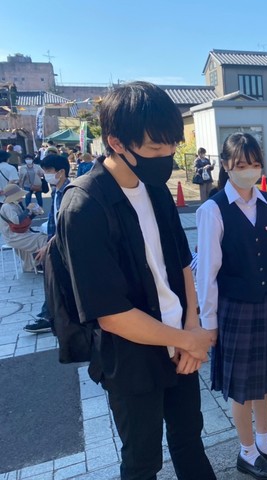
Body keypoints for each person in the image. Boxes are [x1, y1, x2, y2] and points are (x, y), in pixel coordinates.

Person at [52, 81, 217, 480]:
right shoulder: (84, 206)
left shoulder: (155, 190)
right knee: (142, 461)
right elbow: (110, 314)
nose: (166, 157)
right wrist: (187, 340)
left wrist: (192, 325)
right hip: (131, 357)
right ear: (116, 142)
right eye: (155, 148)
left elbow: (181, 263)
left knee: (189, 441)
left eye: (171, 146)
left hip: (181, 342)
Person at [196, 132, 267, 480]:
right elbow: (207, 272)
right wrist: (208, 322)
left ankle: (264, 442)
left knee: (265, 380)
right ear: (226, 165)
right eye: (241, 165)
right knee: (242, 387)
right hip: (235, 307)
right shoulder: (213, 210)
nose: (249, 171)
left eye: (254, 164)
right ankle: (247, 451)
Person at [23, 154, 72, 334]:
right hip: (57, 244)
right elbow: (54, 221)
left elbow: (66, 223)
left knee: (56, 280)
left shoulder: (70, 192)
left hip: (65, 246)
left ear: (61, 172)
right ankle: (50, 316)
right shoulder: (57, 192)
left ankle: (49, 317)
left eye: (48, 170)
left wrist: (49, 244)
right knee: (55, 281)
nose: (45, 174)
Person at [0, 184, 47, 271]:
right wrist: (28, 209)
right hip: (13, 237)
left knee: (42, 236)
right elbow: (17, 221)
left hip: (19, 233)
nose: (22, 196)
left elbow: (23, 221)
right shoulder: (7, 206)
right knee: (42, 239)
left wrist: (34, 213)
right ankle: (41, 262)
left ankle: (34, 264)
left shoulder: (14, 205)